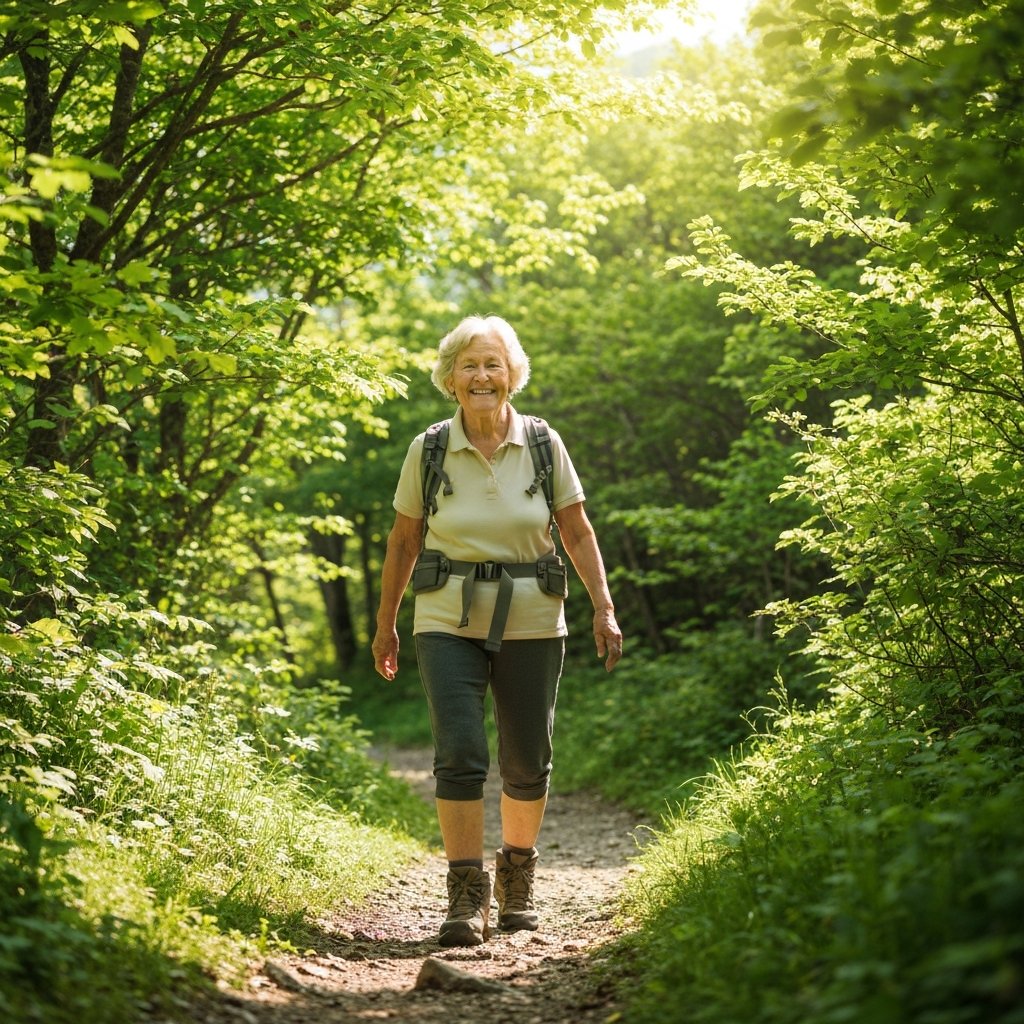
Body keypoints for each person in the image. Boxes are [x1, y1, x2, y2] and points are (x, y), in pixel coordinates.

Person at [371, 314, 622, 948]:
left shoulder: (542, 443)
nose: (482, 376)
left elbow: (578, 530)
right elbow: (404, 541)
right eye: (469, 365)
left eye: (493, 364)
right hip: (444, 618)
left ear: (511, 374)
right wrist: (385, 625)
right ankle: (464, 892)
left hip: (535, 615)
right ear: (449, 378)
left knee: (526, 760)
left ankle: (517, 879)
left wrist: (604, 606)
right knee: (459, 752)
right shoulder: (428, 449)